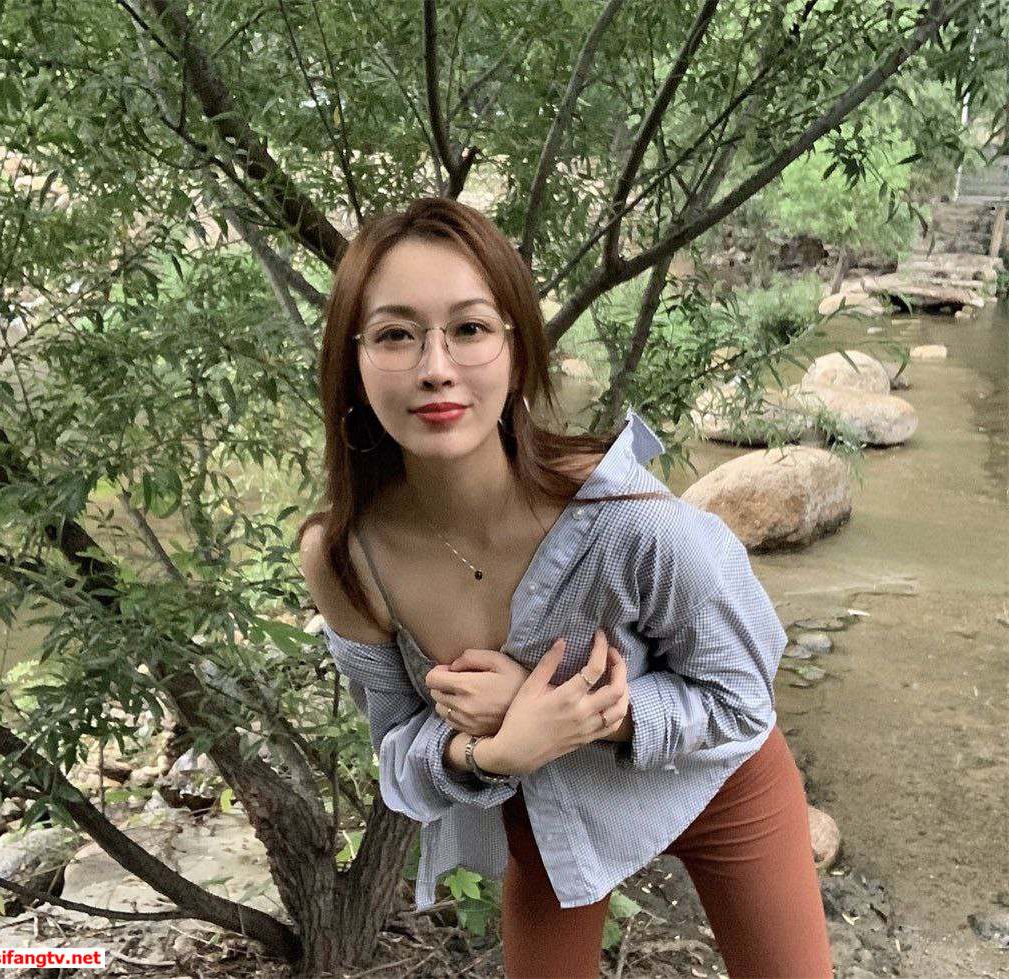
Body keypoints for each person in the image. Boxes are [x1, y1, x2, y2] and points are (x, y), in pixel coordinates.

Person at [298, 196, 833, 979]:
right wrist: (490, 751)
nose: (435, 366)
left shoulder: (629, 519)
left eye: (469, 328)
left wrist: (562, 711)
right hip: (553, 810)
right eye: (395, 334)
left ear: (517, 350)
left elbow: (744, 698)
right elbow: (398, 750)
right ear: (352, 362)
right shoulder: (347, 557)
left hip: (714, 783)